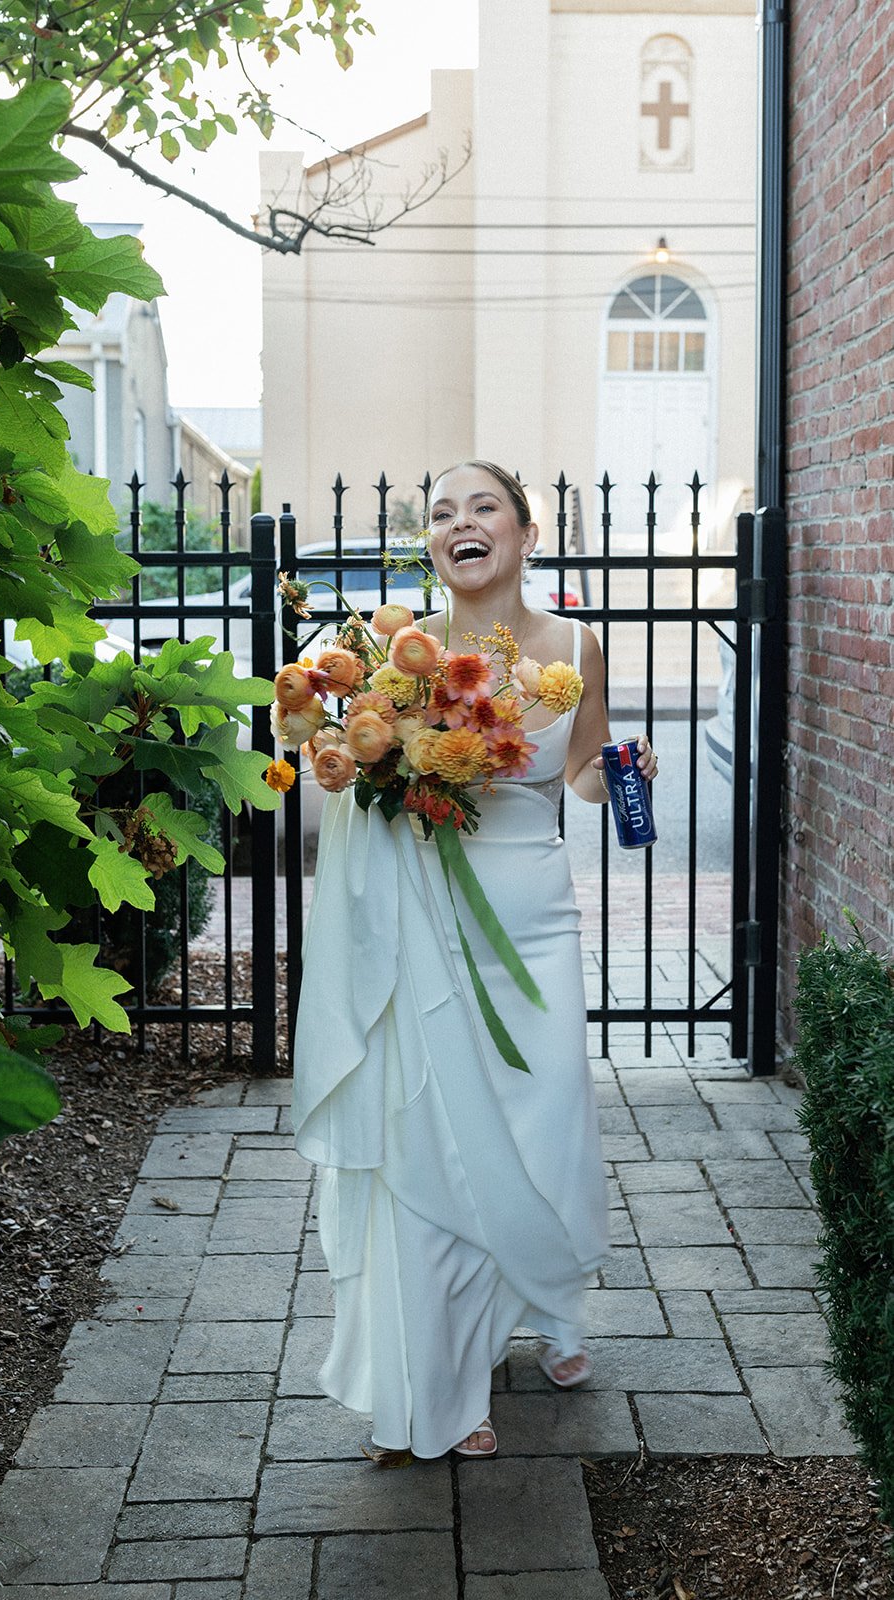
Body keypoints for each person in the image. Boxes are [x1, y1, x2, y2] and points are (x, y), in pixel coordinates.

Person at [292, 460, 657, 1460]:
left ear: (524, 531)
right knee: (435, 1133)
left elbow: (576, 772)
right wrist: (361, 755)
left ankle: (549, 1300)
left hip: (532, 915)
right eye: (442, 512)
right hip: (425, 915)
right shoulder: (392, 659)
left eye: (480, 506)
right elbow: (350, 773)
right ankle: (441, 1384)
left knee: (541, 1120)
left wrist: (617, 769)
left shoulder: (573, 646)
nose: (459, 523)